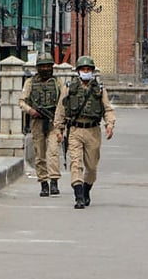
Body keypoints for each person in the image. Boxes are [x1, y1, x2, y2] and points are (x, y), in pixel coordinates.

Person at [53, 56, 116, 209]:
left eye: (88, 69)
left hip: (93, 131)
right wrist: (58, 129)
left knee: (92, 167)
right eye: (83, 69)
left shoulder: (99, 89)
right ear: (78, 71)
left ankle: (86, 189)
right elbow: (60, 110)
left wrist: (110, 124)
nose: (86, 72)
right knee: (76, 163)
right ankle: (79, 196)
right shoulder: (69, 88)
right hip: (74, 130)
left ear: (92, 71)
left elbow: (107, 109)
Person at [18, 53, 66, 197]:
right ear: (38, 68)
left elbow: (63, 101)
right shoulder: (30, 83)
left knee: (53, 152)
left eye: (48, 66)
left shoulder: (57, 83)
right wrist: (30, 110)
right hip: (37, 122)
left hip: (53, 122)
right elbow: (21, 102)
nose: (46, 69)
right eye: (43, 66)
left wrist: (60, 120)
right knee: (40, 154)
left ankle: (54, 182)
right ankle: (43, 183)